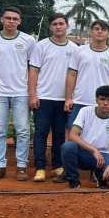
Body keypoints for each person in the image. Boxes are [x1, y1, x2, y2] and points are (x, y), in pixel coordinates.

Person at [0, 6, 37, 182]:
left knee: (23, 130)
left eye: (15, 19)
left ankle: (21, 166)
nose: (11, 21)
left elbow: (32, 67)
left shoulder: (28, 41)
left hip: (21, 92)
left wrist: (29, 89)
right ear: (2, 19)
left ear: (20, 21)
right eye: (8, 18)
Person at [28, 13, 77, 182]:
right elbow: (33, 71)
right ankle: (40, 168)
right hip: (43, 97)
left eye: (61, 23)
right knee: (41, 133)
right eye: (55, 24)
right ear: (50, 27)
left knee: (59, 133)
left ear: (67, 26)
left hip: (64, 99)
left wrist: (70, 97)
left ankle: (57, 166)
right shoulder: (41, 46)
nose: (58, 26)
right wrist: (33, 94)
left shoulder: (74, 48)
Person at [58, 86, 109, 189]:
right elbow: (73, 135)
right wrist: (94, 150)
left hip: (104, 153)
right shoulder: (85, 111)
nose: (105, 103)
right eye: (102, 99)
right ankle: (74, 182)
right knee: (67, 147)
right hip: (84, 152)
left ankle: (100, 177)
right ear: (96, 99)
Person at [64, 20, 109, 130]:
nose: (99, 32)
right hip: (79, 101)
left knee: (97, 137)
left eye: (103, 29)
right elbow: (72, 75)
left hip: (101, 104)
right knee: (74, 137)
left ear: (108, 33)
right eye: (96, 29)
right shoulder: (79, 51)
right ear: (91, 32)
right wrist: (68, 98)